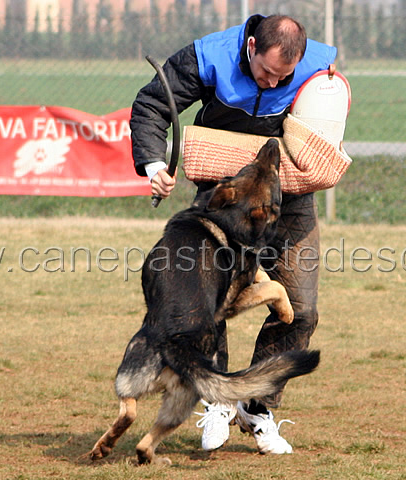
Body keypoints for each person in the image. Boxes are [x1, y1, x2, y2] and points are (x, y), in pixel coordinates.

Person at [129, 14, 337, 455]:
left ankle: (256, 406)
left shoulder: (319, 67)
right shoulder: (209, 57)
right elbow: (152, 105)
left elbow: (328, 119)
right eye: (265, 71)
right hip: (225, 196)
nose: (271, 82)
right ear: (250, 49)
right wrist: (152, 163)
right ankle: (217, 400)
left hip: (287, 198)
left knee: (301, 310)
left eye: (283, 77)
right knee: (208, 306)